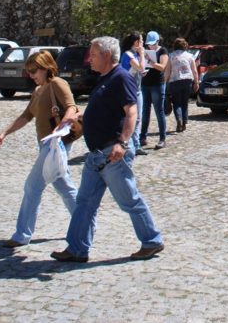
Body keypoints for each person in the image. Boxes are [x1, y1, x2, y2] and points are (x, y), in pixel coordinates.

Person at [51, 36, 164, 263]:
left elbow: (132, 112)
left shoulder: (120, 78)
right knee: (85, 203)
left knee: (129, 200)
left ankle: (152, 241)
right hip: (96, 155)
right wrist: (77, 116)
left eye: (92, 54)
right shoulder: (104, 79)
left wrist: (122, 142)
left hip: (112, 153)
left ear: (105, 55)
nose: (88, 58)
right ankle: (77, 248)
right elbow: (102, 110)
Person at [0, 50, 79, 248]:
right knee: (64, 187)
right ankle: (84, 222)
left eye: (34, 70)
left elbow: (71, 107)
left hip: (56, 144)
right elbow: (26, 116)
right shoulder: (39, 90)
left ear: (46, 67)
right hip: (47, 144)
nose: (31, 75)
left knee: (32, 186)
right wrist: (5, 133)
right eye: (28, 71)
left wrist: (61, 126)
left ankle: (22, 234)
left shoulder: (57, 83)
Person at [139, 31, 169, 150]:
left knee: (159, 111)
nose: (150, 46)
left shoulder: (163, 51)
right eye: (149, 44)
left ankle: (162, 139)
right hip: (145, 83)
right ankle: (143, 137)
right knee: (145, 112)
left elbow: (162, 67)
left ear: (158, 41)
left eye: (153, 44)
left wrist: (151, 62)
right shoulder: (146, 51)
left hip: (157, 84)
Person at [120, 33, 148, 156]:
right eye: (141, 40)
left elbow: (139, 69)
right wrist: (142, 54)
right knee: (132, 118)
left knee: (137, 119)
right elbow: (141, 67)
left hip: (137, 89)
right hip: (129, 91)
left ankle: (135, 145)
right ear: (136, 42)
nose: (143, 43)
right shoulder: (128, 54)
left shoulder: (134, 54)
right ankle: (130, 144)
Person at [164, 37, 199, 133]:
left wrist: (164, 82)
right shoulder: (190, 56)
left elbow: (167, 71)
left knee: (176, 103)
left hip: (175, 81)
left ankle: (179, 119)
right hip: (187, 80)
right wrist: (196, 82)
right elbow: (194, 71)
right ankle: (184, 122)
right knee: (185, 103)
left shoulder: (171, 56)